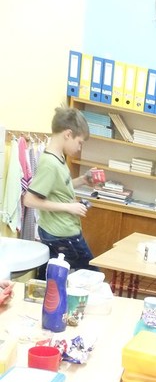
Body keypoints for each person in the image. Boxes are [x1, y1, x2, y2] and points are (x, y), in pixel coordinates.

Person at [23, 106, 98, 271]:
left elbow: (59, 187)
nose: (79, 148)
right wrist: (69, 207)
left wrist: (82, 180)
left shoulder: (58, 158)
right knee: (93, 276)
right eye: (79, 142)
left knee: (51, 276)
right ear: (68, 134)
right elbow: (29, 200)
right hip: (61, 234)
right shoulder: (50, 163)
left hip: (61, 231)